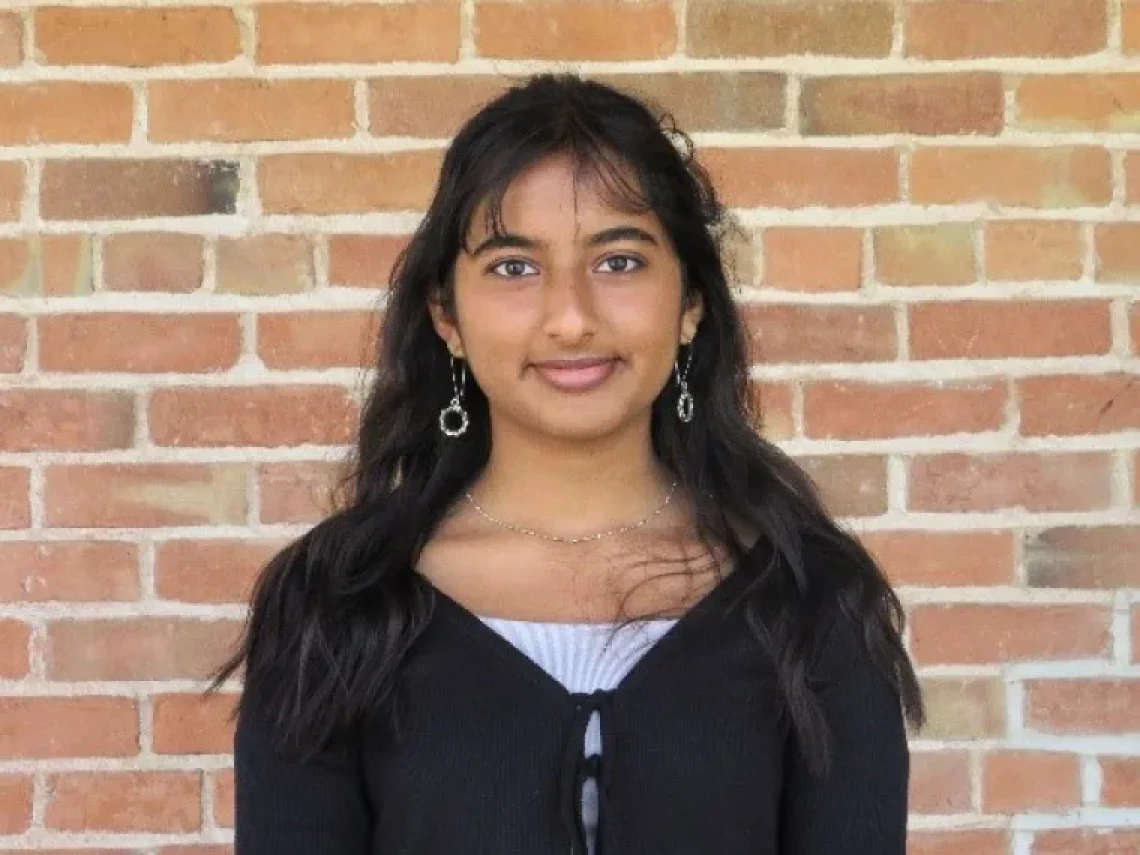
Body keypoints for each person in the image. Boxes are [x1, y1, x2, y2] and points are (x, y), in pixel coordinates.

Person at [206, 72, 925, 854]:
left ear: (690, 304)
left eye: (619, 261)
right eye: (514, 267)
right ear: (447, 315)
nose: (572, 317)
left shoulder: (811, 601)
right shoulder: (337, 602)